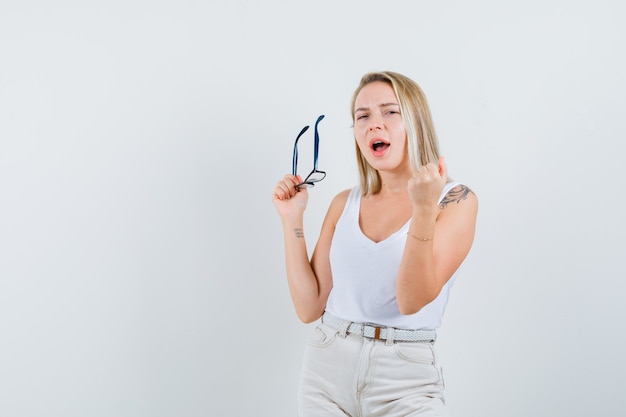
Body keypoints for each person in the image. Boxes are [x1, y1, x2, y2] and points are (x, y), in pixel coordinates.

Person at [272, 71, 478, 417]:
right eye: (362, 116)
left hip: (405, 380)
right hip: (327, 371)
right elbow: (309, 308)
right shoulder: (344, 203)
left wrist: (424, 209)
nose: (373, 125)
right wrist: (292, 220)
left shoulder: (455, 201)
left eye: (390, 112)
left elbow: (412, 300)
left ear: (416, 122)